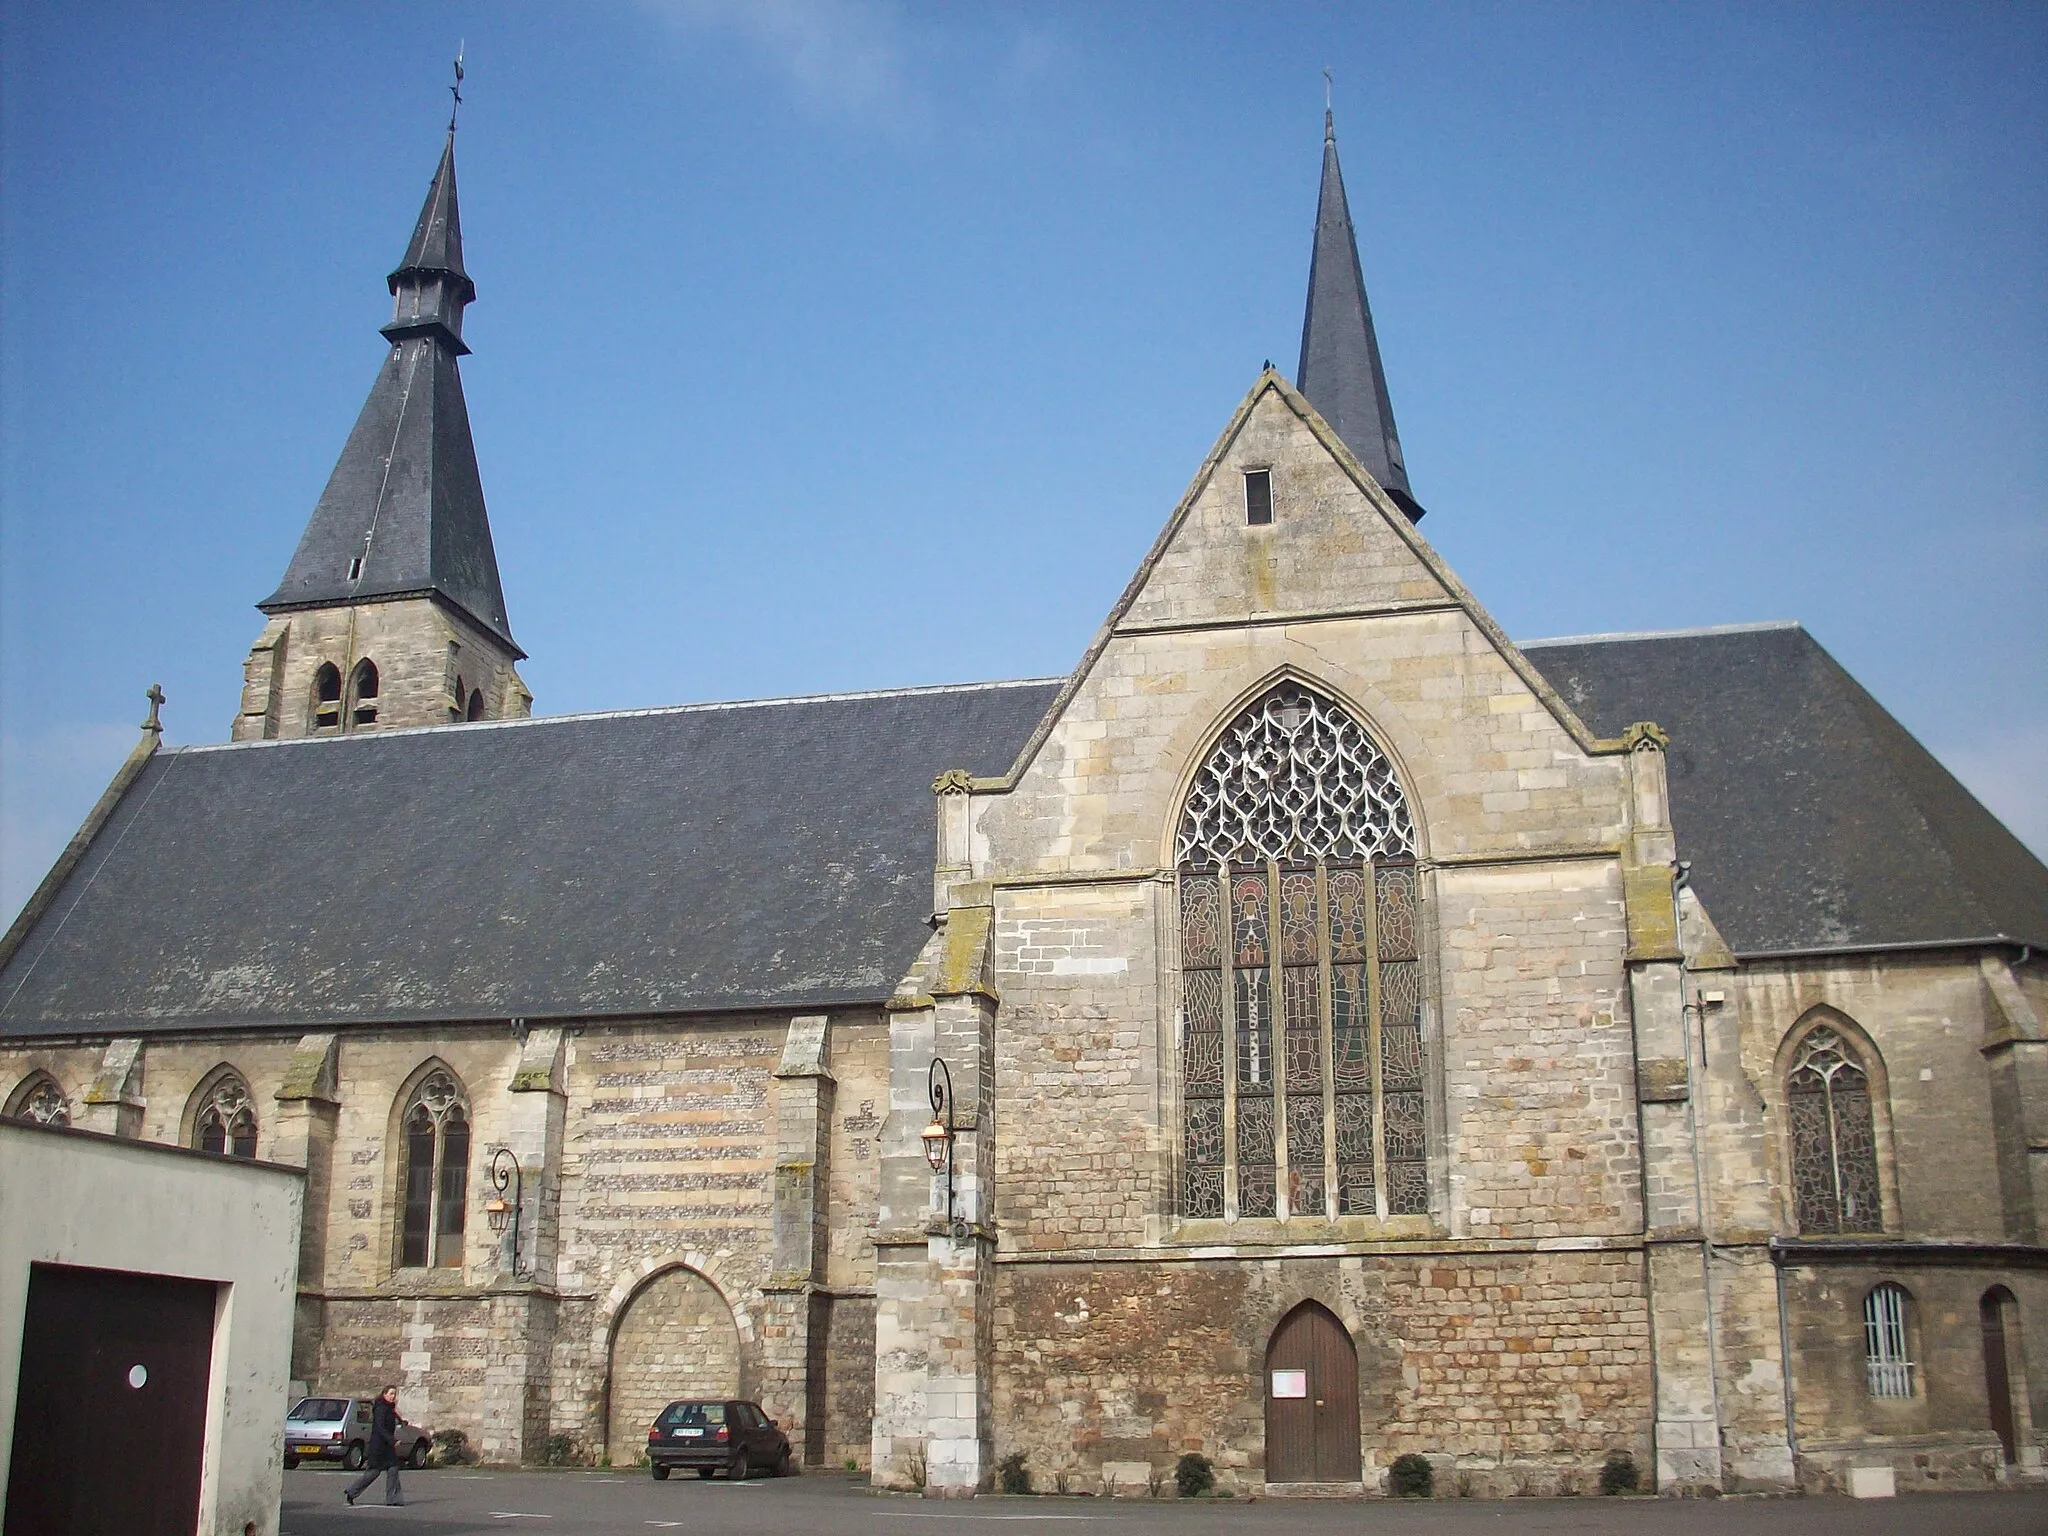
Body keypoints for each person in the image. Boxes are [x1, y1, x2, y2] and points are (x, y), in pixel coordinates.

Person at [343, 1386, 405, 1507]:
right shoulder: (380, 1408)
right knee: (373, 1472)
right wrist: (392, 1440)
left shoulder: (389, 1408)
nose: (393, 1396)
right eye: (391, 1394)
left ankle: (393, 1499)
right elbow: (380, 1427)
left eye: (394, 1394)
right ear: (384, 1394)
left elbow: (397, 1419)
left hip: (387, 1446)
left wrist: (400, 1417)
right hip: (378, 1446)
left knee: (393, 1469)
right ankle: (351, 1491)